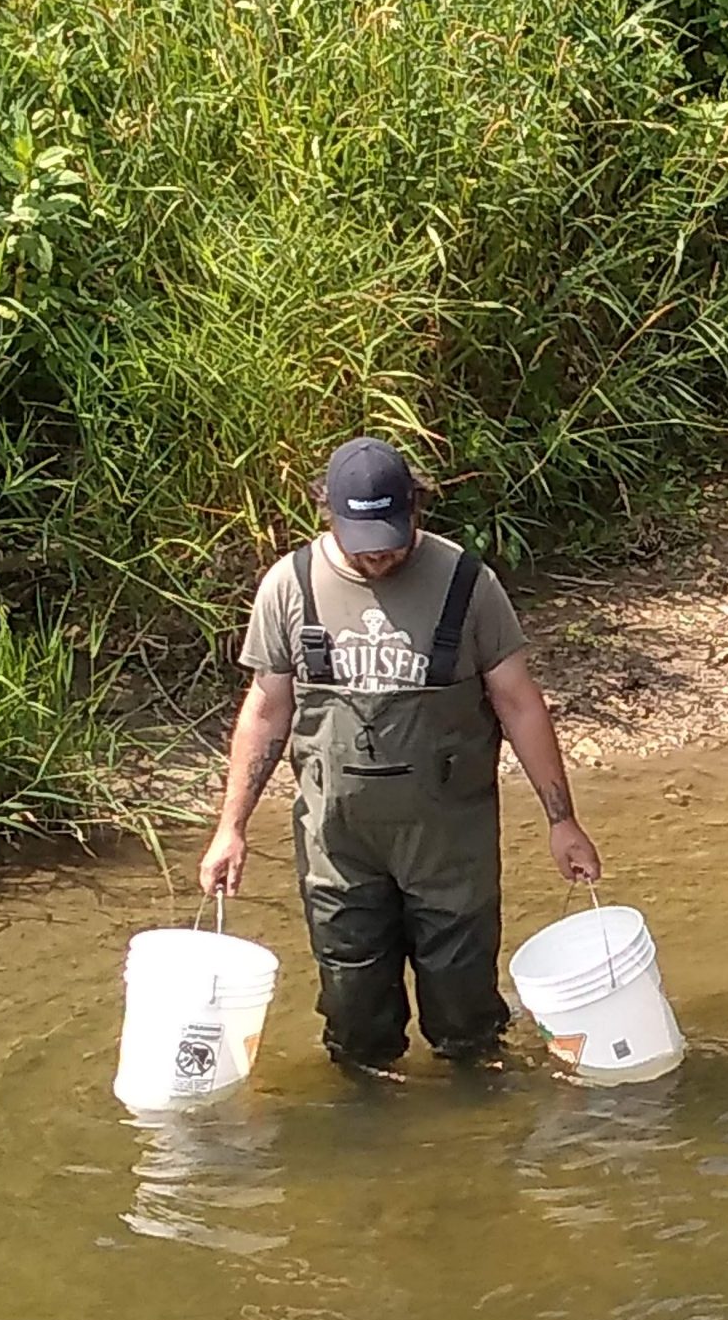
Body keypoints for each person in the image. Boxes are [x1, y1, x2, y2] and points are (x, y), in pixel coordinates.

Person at [198, 436, 601, 1072]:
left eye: (392, 530)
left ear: (416, 506)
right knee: (355, 1015)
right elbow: (266, 711)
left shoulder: (469, 584)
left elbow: (520, 703)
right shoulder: (289, 586)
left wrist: (562, 821)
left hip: (450, 846)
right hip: (338, 846)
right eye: (364, 537)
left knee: (465, 1016)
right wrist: (231, 828)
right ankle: (367, 1125)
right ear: (326, 511)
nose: (381, 552)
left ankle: (476, 1128)